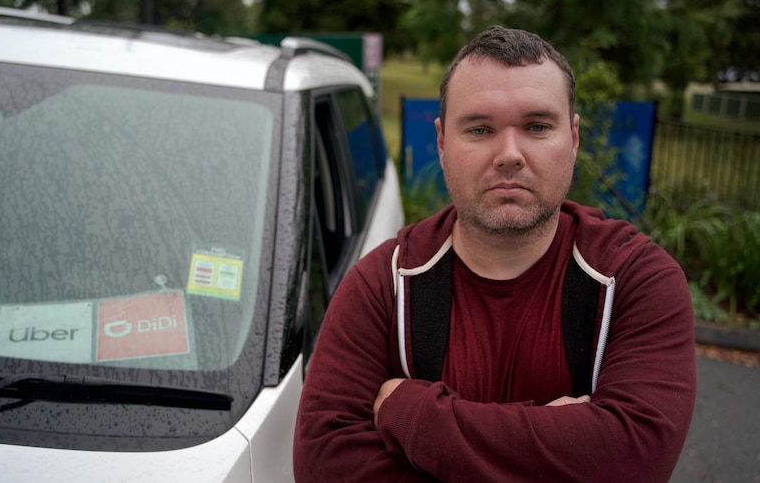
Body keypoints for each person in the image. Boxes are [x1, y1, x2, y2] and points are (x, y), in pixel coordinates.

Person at [293, 25, 696, 483]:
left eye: (537, 126)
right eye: (480, 129)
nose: (509, 154)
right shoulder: (383, 284)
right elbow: (324, 463)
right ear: (443, 144)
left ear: (574, 137)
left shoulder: (637, 281)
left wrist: (411, 413)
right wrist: (561, 442)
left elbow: (632, 461)